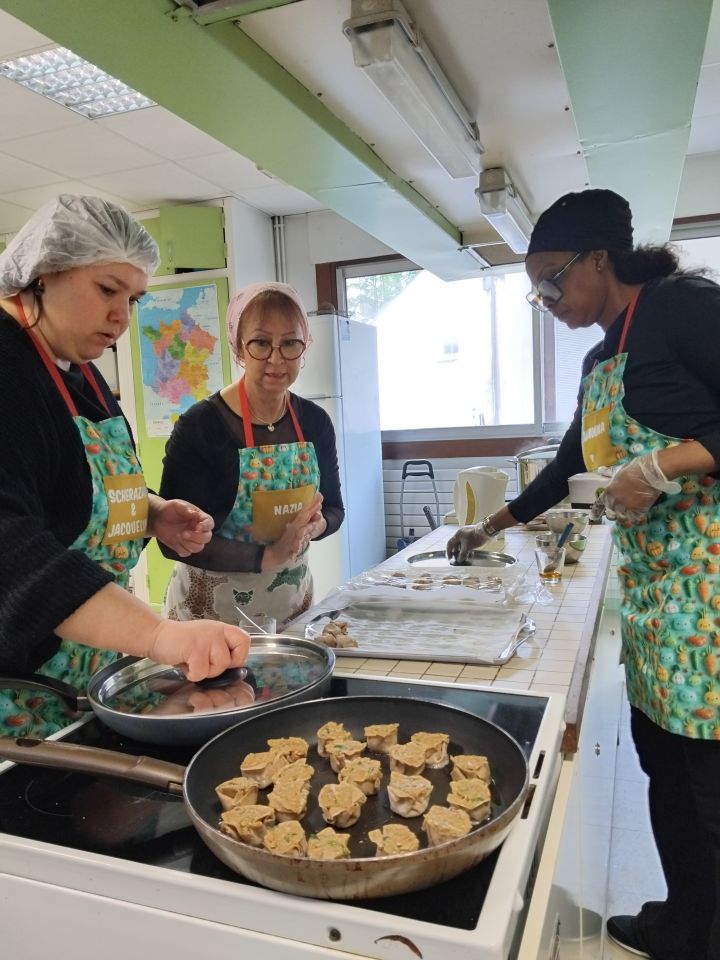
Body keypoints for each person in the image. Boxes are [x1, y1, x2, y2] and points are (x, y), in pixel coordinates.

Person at [447, 188, 720, 960]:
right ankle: (682, 925)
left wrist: (665, 465)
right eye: (537, 288)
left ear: (601, 260)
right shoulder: (603, 358)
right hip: (658, 602)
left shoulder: (685, 308)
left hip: (712, 600)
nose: (546, 299)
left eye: (553, 280)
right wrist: (489, 526)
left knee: (710, 793)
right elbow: (571, 464)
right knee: (663, 771)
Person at [0, 195, 250, 738]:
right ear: (44, 274)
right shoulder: (7, 367)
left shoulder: (78, 367)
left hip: (84, 673)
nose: (121, 316)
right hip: (19, 690)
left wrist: (151, 511)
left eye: (134, 298)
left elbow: (70, 492)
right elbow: (9, 546)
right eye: (108, 289)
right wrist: (160, 637)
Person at [159, 281, 344, 629]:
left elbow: (335, 508)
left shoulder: (315, 423)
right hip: (209, 621)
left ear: (305, 348)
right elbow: (173, 542)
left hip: (291, 609)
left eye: (290, 343)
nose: (276, 358)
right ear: (239, 349)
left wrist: (318, 526)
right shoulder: (201, 426)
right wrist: (267, 556)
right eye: (261, 343)